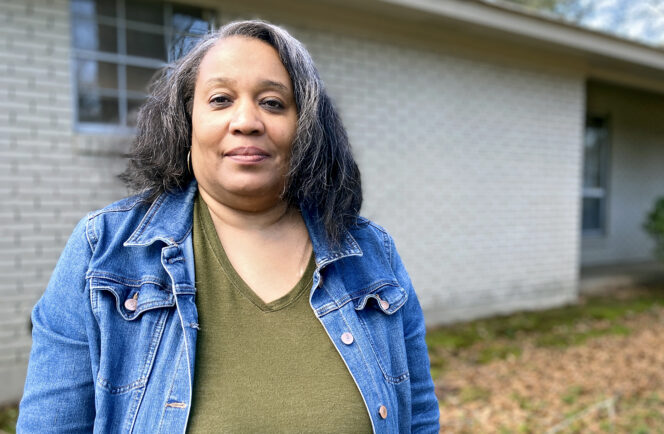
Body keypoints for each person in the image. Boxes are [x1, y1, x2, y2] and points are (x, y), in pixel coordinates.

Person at [17, 20, 439, 433]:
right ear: (186, 122)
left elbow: (417, 418)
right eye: (220, 99)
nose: (246, 121)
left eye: (273, 102)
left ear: (305, 128)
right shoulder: (103, 250)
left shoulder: (371, 254)